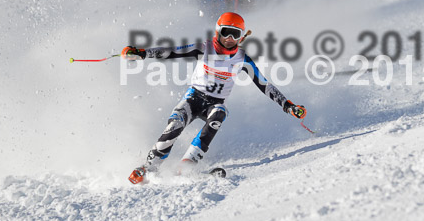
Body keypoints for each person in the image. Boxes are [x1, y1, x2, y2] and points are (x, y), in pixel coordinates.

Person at [122, 12, 307, 184]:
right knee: (176, 125)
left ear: (241, 37)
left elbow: (264, 85)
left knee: (220, 113)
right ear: (218, 31)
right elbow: (171, 51)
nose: (229, 39)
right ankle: (149, 168)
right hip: (193, 99)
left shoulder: (242, 59)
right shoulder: (204, 48)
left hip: (215, 104)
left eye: (235, 34)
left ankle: (187, 164)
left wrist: (288, 106)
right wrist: (142, 53)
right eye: (226, 33)